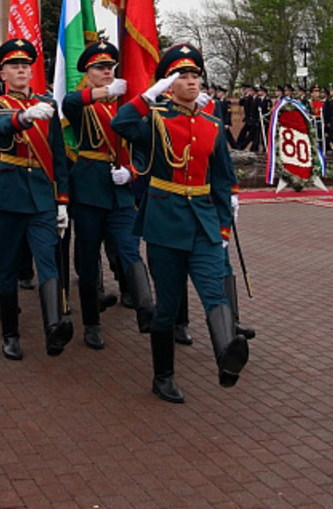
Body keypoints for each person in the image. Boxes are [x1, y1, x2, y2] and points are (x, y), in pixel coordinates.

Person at [112, 42, 247, 405]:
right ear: (168, 84)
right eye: (182, 76)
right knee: (168, 306)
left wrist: (224, 219)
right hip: (164, 221)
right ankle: (163, 376)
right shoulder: (154, 119)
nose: (191, 82)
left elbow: (220, 177)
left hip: (202, 222)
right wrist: (148, 95)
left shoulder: (211, 124)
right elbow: (120, 123)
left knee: (213, 291)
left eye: (195, 76)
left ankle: (226, 360)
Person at [0, 39, 72, 361]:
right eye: (14, 66)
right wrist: (24, 117)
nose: (21, 70)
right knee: (7, 266)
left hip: (42, 197)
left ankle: (53, 328)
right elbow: (2, 128)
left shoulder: (47, 103)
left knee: (47, 259)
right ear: (2, 73)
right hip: (9, 196)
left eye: (25, 66)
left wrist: (62, 200)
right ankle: (10, 333)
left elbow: (58, 155)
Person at [60, 39, 153, 348]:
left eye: (110, 68)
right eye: (100, 68)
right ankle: (91, 322)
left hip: (121, 191)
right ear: (88, 73)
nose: (107, 73)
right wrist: (103, 94)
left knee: (129, 248)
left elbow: (141, 148)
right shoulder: (85, 103)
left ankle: (145, 307)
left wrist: (133, 171)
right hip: (89, 190)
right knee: (88, 259)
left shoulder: (127, 107)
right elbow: (69, 104)